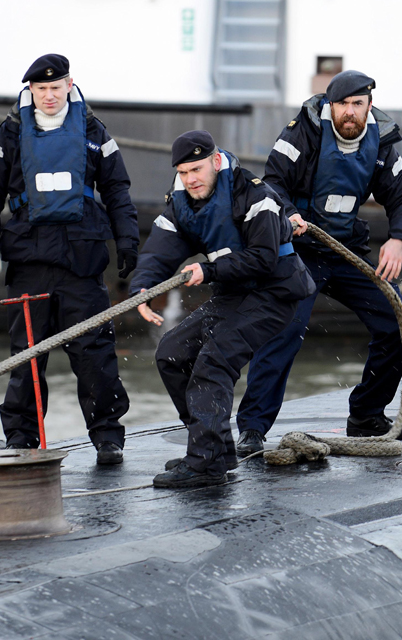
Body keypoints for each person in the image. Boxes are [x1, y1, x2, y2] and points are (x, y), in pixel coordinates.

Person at [233, 70, 402, 456]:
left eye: (357, 105)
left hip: (345, 249)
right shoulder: (302, 133)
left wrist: (399, 239)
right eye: (342, 105)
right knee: (285, 329)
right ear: (329, 106)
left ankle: (367, 415)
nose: (349, 113)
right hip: (300, 249)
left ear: (369, 107)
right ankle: (252, 428)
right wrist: (287, 213)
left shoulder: (381, 144)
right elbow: (272, 182)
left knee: (400, 325)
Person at [0, 54, 139, 464]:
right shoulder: (10, 133)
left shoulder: (94, 131)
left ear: (69, 85)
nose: (49, 95)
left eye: (55, 87)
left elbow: (116, 188)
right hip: (29, 260)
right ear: (30, 90)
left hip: (82, 260)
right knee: (26, 356)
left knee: (94, 353)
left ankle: (107, 437)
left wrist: (128, 241)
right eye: (40, 88)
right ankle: (22, 439)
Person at [131, 130, 314, 488]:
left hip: (274, 293)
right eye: (183, 173)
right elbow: (158, 250)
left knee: (213, 363)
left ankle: (207, 465)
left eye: (197, 169)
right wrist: (142, 287)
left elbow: (262, 259)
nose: (191, 179)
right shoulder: (182, 201)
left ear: (216, 162)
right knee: (171, 353)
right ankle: (212, 446)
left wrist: (209, 271)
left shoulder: (255, 195)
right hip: (233, 294)